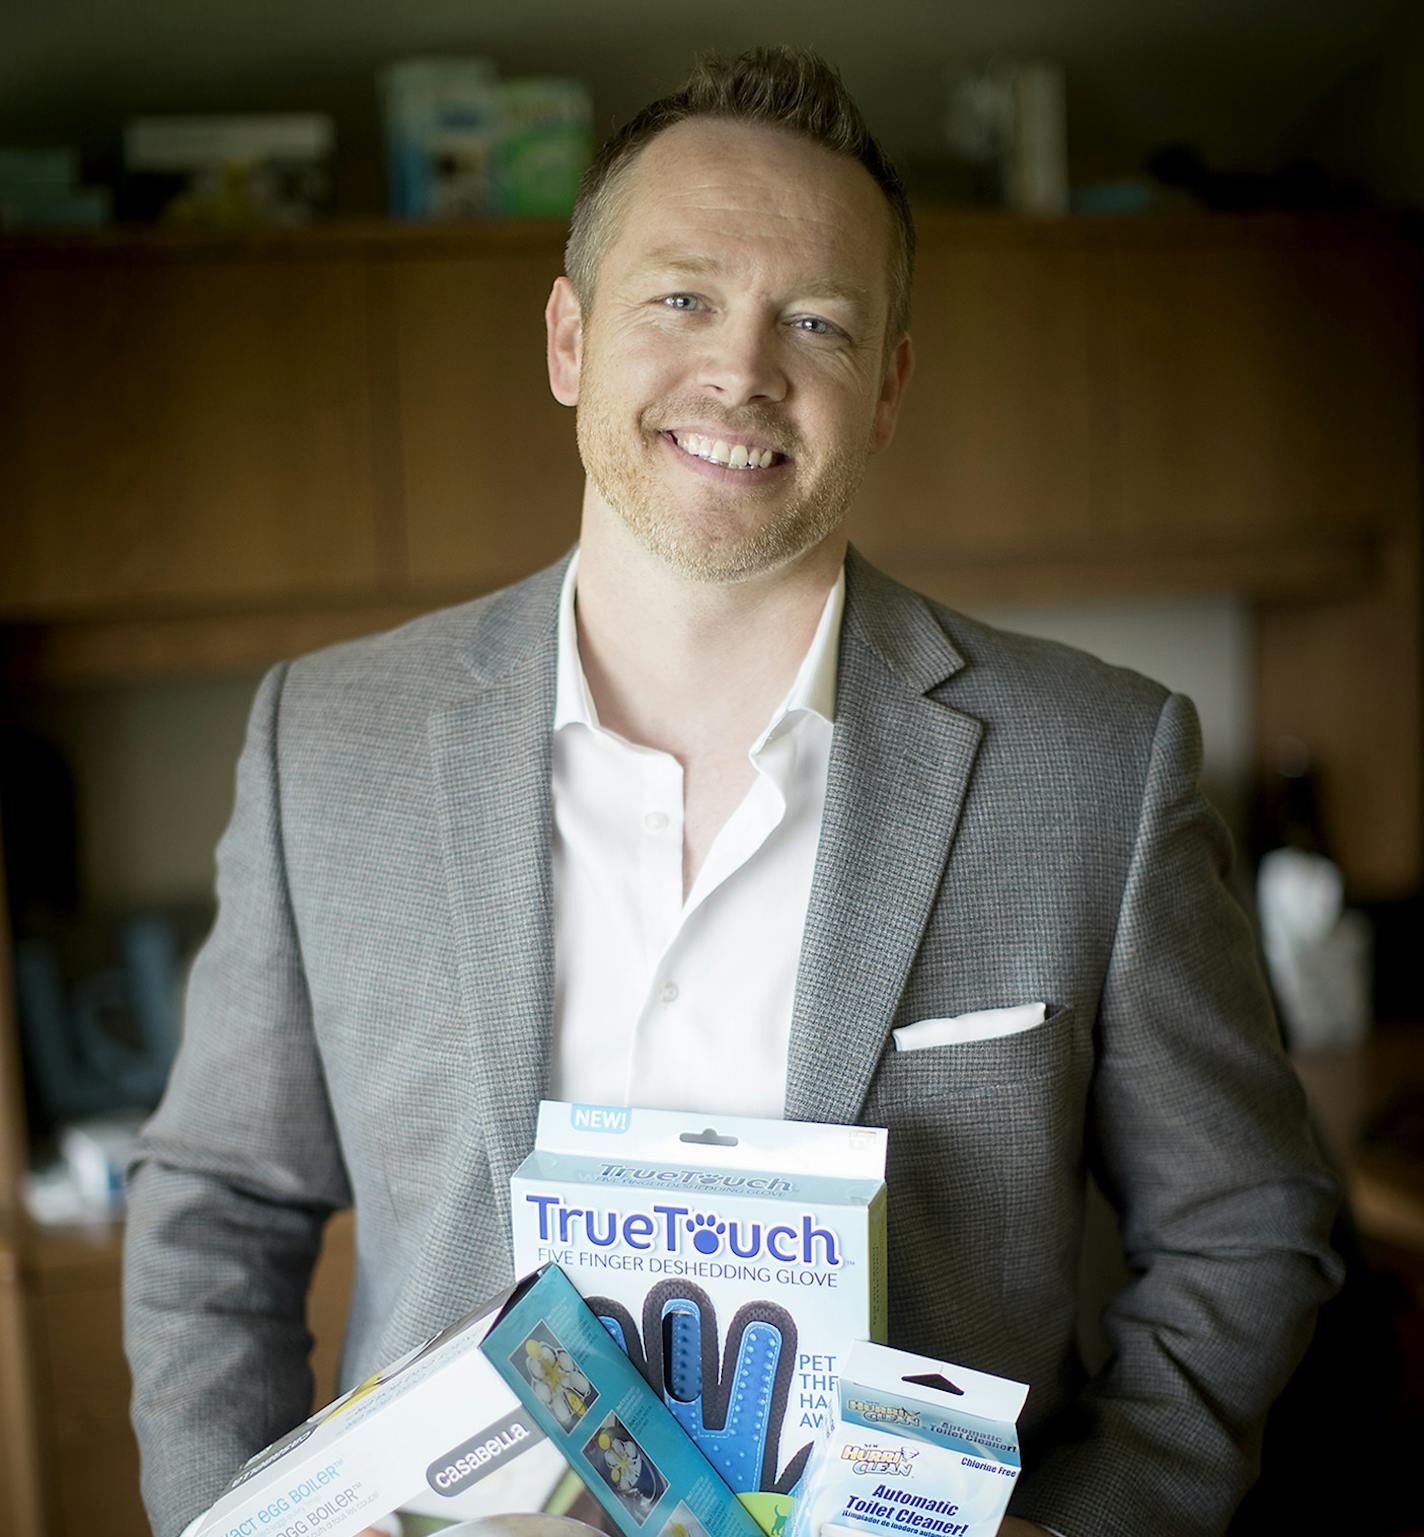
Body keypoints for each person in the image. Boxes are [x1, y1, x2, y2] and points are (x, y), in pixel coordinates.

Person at [124, 47, 1341, 1537]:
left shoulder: (1099, 764)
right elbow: (213, 1213)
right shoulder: (329, 742)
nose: (742, 371)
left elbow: (1245, 1223)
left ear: (886, 383)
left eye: (815, 321)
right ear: (569, 337)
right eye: (682, 297)